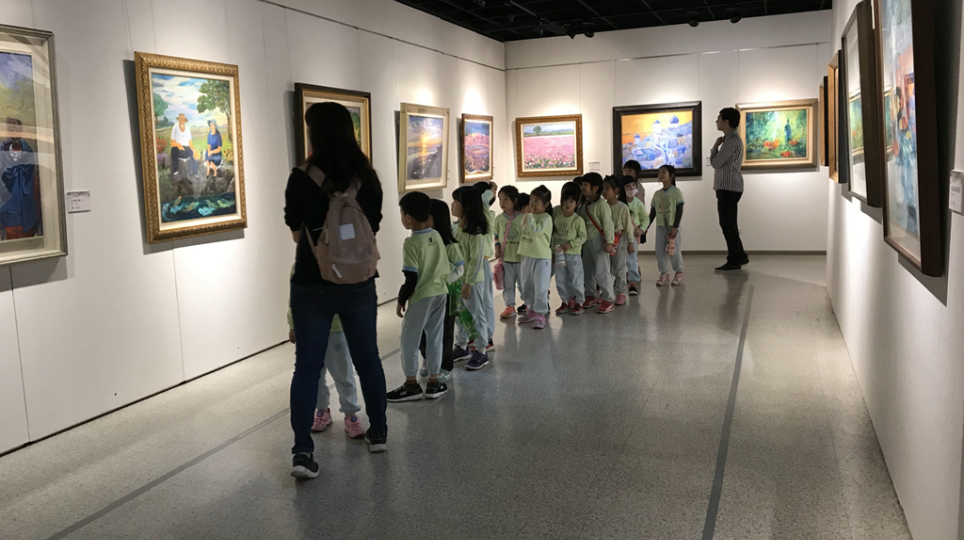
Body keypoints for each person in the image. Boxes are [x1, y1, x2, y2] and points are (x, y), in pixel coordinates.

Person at [284, 102, 387, 479]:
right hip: (358, 282)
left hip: (311, 282)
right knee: (368, 359)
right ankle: (378, 432)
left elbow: (296, 233)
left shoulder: (301, 177)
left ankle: (303, 451)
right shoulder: (367, 177)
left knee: (307, 368)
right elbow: (373, 227)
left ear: (314, 133)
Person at [287, 264, 365, 439]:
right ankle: (322, 410)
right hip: (309, 328)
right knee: (315, 374)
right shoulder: (301, 265)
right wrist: (293, 324)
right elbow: (295, 297)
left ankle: (351, 414)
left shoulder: (339, 261)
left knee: (343, 373)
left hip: (336, 327)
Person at [388, 192, 451, 402]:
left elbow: (411, 277)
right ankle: (434, 381)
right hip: (441, 292)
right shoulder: (436, 236)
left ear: (408, 217)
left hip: (422, 295)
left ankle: (411, 384)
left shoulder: (411, 243)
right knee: (434, 337)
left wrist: (401, 299)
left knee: (409, 339)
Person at [419, 200, 464, 384]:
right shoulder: (423, 242)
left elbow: (460, 269)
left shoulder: (450, 246)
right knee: (423, 328)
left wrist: (443, 282)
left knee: (444, 330)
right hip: (426, 293)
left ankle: (445, 365)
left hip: (446, 293)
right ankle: (427, 357)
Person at [451, 186, 491, 370]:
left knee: (476, 314)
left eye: (456, 201)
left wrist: (468, 283)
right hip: (457, 280)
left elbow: (476, 260)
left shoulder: (475, 234)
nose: (452, 205)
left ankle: (481, 349)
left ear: (466, 206)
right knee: (460, 314)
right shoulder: (456, 229)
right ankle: (462, 345)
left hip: (472, 281)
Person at [711, 107, 748, 271]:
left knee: (727, 224)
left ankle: (734, 259)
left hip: (728, 187)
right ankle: (740, 255)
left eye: (718, 118)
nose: (716, 121)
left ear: (726, 122)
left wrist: (714, 147)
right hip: (729, 186)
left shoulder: (731, 140)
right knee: (729, 223)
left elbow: (716, 163)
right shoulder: (730, 139)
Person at [579, 173, 616, 314]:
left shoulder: (602, 205)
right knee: (588, 271)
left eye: (585, 185)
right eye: (582, 184)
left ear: (595, 188)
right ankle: (590, 295)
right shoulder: (585, 204)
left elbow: (608, 224)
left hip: (599, 241)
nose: (582, 187)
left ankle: (607, 298)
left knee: (602, 271)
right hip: (586, 242)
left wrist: (609, 242)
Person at [517, 185, 553, 330]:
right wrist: (527, 215)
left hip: (541, 257)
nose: (532, 203)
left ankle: (540, 313)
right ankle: (530, 310)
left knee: (541, 286)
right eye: (531, 200)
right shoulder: (528, 216)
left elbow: (536, 230)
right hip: (527, 255)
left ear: (546, 204)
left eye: (536, 201)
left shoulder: (546, 218)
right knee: (526, 285)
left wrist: (529, 215)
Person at [0, 117, 40, 240]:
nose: (14, 133)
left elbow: (30, 173)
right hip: (8, 201)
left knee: (28, 238)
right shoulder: (2, 150)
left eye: (17, 130)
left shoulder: (27, 150)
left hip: (25, 201)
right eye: (11, 130)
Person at [646, 165, 685, 286]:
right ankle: (664, 274)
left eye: (664, 172)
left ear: (671, 176)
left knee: (674, 251)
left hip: (672, 226)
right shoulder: (656, 194)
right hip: (661, 226)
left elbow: (679, 211)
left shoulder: (676, 192)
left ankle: (679, 273)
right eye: (659, 173)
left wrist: (675, 227)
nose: (661, 175)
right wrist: (646, 227)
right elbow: (652, 213)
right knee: (659, 251)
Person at [552, 184, 587, 315]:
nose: (568, 204)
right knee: (561, 278)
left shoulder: (578, 220)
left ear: (577, 203)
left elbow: (583, 237)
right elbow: (555, 236)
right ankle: (566, 301)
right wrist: (553, 252)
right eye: (565, 201)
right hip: (559, 254)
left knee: (575, 278)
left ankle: (579, 301)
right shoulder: (558, 218)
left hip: (573, 254)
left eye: (571, 201)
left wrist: (571, 244)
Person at [603, 176, 634, 306]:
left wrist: (631, 242)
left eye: (607, 188)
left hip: (619, 240)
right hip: (605, 240)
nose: (604, 191)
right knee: (606, 267)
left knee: (619, 266)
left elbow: (628, 226)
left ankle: (621, 292)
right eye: (603, 188)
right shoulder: (602, 206)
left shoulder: (622, 207)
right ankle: (607, 292)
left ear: (616, 190)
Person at [473, 181, 497, 354]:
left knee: (485, 300)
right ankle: (476, 335)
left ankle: (487, 336)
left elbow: (483, 199)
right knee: (474, 302)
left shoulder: (486, 214)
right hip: (472, 264)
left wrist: (491, 189)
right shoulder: (472, 217)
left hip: (483, 263)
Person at [494, 186, 523, 319]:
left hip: (521, 258)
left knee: (523, 284)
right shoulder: (498, 219)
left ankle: (529, 304)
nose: (502, 203)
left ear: (514, 200)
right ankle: (509, 306)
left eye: (506, 199)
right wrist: (497, 248)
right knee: (508, 284)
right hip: (506, 258)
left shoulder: (522, 218)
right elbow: (496, 236)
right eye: (500, 199)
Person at [622, 176, 648, 295]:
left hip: (632, 235)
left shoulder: (638, 203)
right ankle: (620, 280)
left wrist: (641, 230)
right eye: (628, 186)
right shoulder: (619, 203)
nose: (631, 188)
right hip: (620, 235)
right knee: (618, 260)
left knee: (632, 258)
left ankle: (633, 282)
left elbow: (645, 218)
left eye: (633, 185)